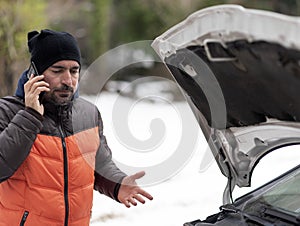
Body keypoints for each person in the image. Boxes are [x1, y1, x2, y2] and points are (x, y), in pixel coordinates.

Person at [0, 29, 153, 225]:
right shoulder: (6, 111)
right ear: (34, 73)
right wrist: (30, 116)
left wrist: (117, 184)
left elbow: (100, 164)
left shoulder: (89, 114)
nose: (68, 81)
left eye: (74, 71)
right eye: (57, 71)